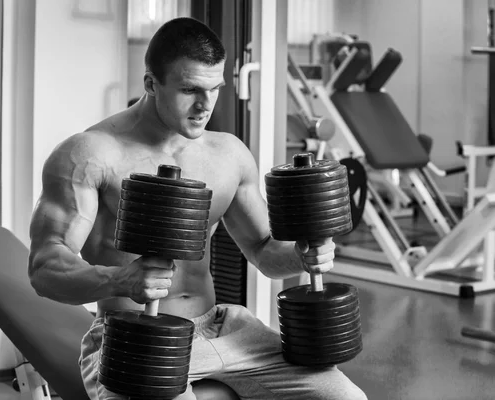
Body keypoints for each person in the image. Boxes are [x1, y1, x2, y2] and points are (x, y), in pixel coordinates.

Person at [28, 17, 367, 400]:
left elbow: (262, 252)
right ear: (151, 83)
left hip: (226, 329)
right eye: (190, 89)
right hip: (135, 336)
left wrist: (303, 256)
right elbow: (45, 267)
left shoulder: (228, 155)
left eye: (215, 89)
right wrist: (119, 281)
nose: (205, 105)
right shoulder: (91, 154)